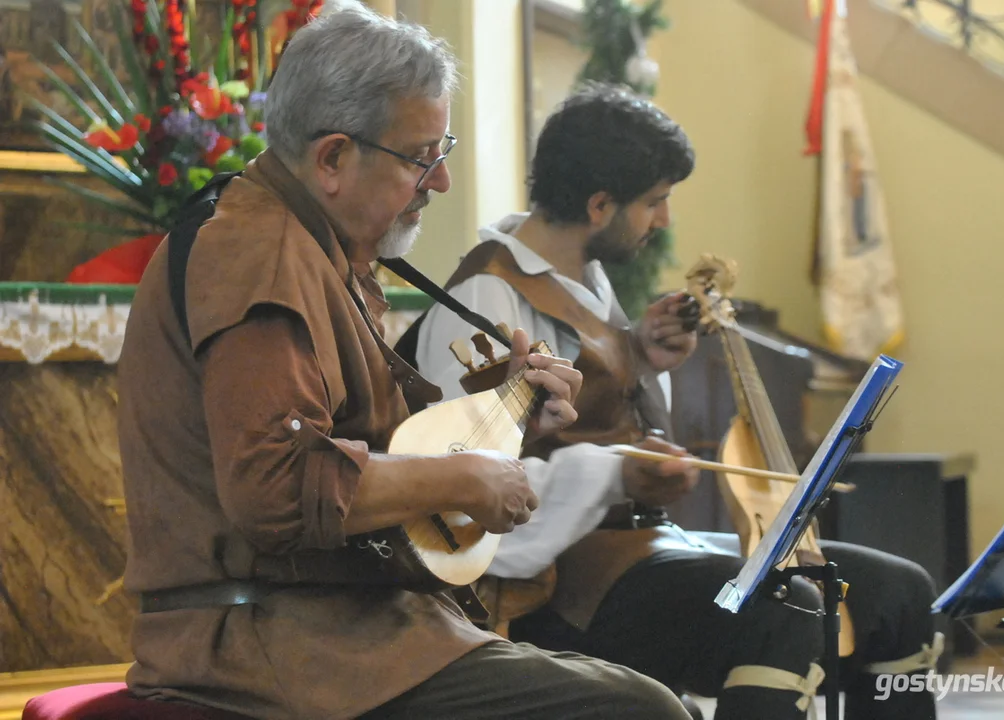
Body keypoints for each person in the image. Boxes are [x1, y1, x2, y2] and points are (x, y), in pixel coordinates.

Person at [117, 5, 694, 719]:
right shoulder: (261, 254)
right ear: (331, 158)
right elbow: (275, 488)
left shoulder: (317, 244)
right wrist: (463, 474)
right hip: (273, 645)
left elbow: (363, 442)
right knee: (639, 710)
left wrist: (508, 411)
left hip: (346, 628)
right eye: (422, 156)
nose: (442, 181)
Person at [411, 82, 944, 720]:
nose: (663, 220)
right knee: (789, 608)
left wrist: (640, 355)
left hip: (652, 548)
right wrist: (618, 470)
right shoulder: (482, 301)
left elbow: (603, 413)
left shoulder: (585, 282)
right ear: (600, 204)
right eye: (655, 202)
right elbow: (458, 488)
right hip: (554, 589)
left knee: (898, 591)